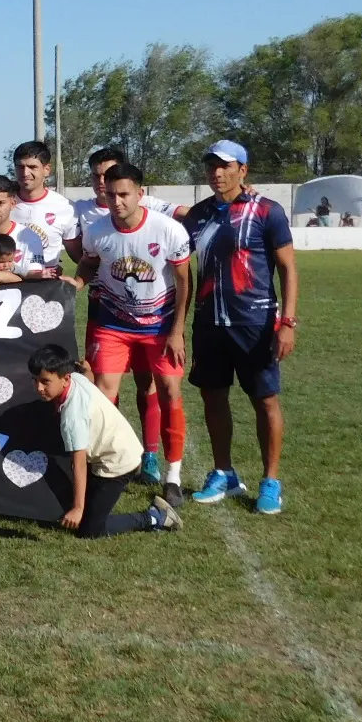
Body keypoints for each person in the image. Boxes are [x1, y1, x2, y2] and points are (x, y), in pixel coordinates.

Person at [184, 140, 298, 515]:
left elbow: (288, 269)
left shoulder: (267, 211)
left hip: (255, 322)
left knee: (264, 400)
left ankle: (271, 481)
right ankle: (224, 473)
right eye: (211, 166)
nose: (217, 173)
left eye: (226, 166)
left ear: (243, 170)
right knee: (213, 397)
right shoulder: (197, 215)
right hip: (209, 322)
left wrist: (287, 322)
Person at [70, 163, 192, 507]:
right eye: (111, 195)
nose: (117, 202)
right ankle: (107, 468)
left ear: (141, 193)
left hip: (160, 326)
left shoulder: (168, 230)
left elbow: (184, 280)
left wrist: (178, 330)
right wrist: (77, 281)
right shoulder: (96, 230)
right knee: (103, 394)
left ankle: (173, 476)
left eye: (124, 194)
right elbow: (90, 263)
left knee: (169, 390)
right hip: (113, 324)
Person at [28, 345, 182, 538]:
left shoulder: (73, 417)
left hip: (117, 465)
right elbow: (88, 378)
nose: (39, 388)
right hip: (117, 449)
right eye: (34, 381)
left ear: (65, 378)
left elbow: (79, 463)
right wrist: (87, 370)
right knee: (73, 505)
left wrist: (78, 508)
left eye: (45, 382)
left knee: (89, 530)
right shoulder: (75, 378)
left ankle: (155, 516)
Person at [11, 141, 78, 269]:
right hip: (8, 283)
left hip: (46, 285)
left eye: (32, 167)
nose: (25, 173)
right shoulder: (0, 204)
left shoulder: (65, 207)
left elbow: (78, 257)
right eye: (20, 167)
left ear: (46, 169)